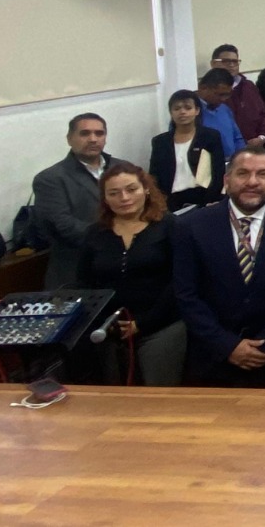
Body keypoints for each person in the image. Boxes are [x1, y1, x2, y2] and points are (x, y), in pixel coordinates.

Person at [174, 148, 265, 386]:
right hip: (213, 360)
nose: (252, 182)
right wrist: (227, 345)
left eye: (262, 174)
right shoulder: (192, 225)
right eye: (243, 174)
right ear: (227, 181)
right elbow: (186, 294)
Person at [77, 163, 185, 386]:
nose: (123, 198)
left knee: (159, 393)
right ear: (105, 198)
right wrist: (105, 322)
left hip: (162, 324)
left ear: (145, 189)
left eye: (131, 189)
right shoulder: (95, 233)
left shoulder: (170, 225)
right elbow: (85, 283)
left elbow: (181, 281)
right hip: (108, 330)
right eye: (114, 193)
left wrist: (143, 323)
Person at [35, 113, 127, 290]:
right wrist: (117, 238)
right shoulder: (50, 179)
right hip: (76, 273)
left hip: (121, 269)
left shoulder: (123, 168)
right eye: (85, 133)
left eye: (99, 134)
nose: (93, 139)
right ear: (70, 139)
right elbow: (64, 226)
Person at [148, 90, 225, 212]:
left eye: (188, 108)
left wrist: (212, 200)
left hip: (203, 197)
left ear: (197, 111)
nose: (182, 112)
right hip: (171, 201)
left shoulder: (210, 137)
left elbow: (218, 171)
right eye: (177, 109)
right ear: (171, 113)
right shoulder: (160, 142)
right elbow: (154, 175)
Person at [211, 44, 265, 151]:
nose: (231, 65)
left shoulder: (248, 86)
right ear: (213, 63)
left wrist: (262, 137)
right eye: (226, 61)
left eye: (235, 61)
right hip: (224, 152)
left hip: (255, 148)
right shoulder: (208, 91)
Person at [195, 69, 246, 160]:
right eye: (220, 94)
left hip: (232, 163)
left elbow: (238, 138)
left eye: (227, 94)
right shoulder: (189, 113)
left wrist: (241, 158)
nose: (224, 99)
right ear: (203, 88)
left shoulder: (224, 109)